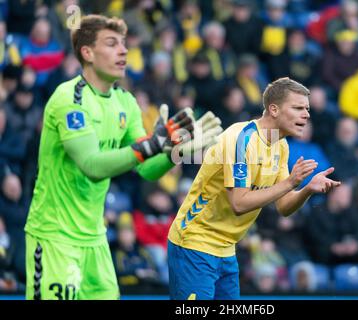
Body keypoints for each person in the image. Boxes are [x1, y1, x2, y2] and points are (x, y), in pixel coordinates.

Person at [24, 15, 222, 300]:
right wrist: (154, 144)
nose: (124, 51)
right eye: (112, 43)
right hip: (55, 236)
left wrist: (173, 153)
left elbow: (146, 169)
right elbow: (92, 165)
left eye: (124, 44)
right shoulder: (69, 98)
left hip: (95, 239)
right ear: (87, 53)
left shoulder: (125, 102)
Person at [167, 77, 341, 300]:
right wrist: (290, 182)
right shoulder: (240, 139)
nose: (306, 114)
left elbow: (284, 206)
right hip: (194, 243)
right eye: (298, 108)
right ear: (274, 109)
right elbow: (239, 203)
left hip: (227, 248)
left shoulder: (281, 145)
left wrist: (306, 189)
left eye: (306, 108)